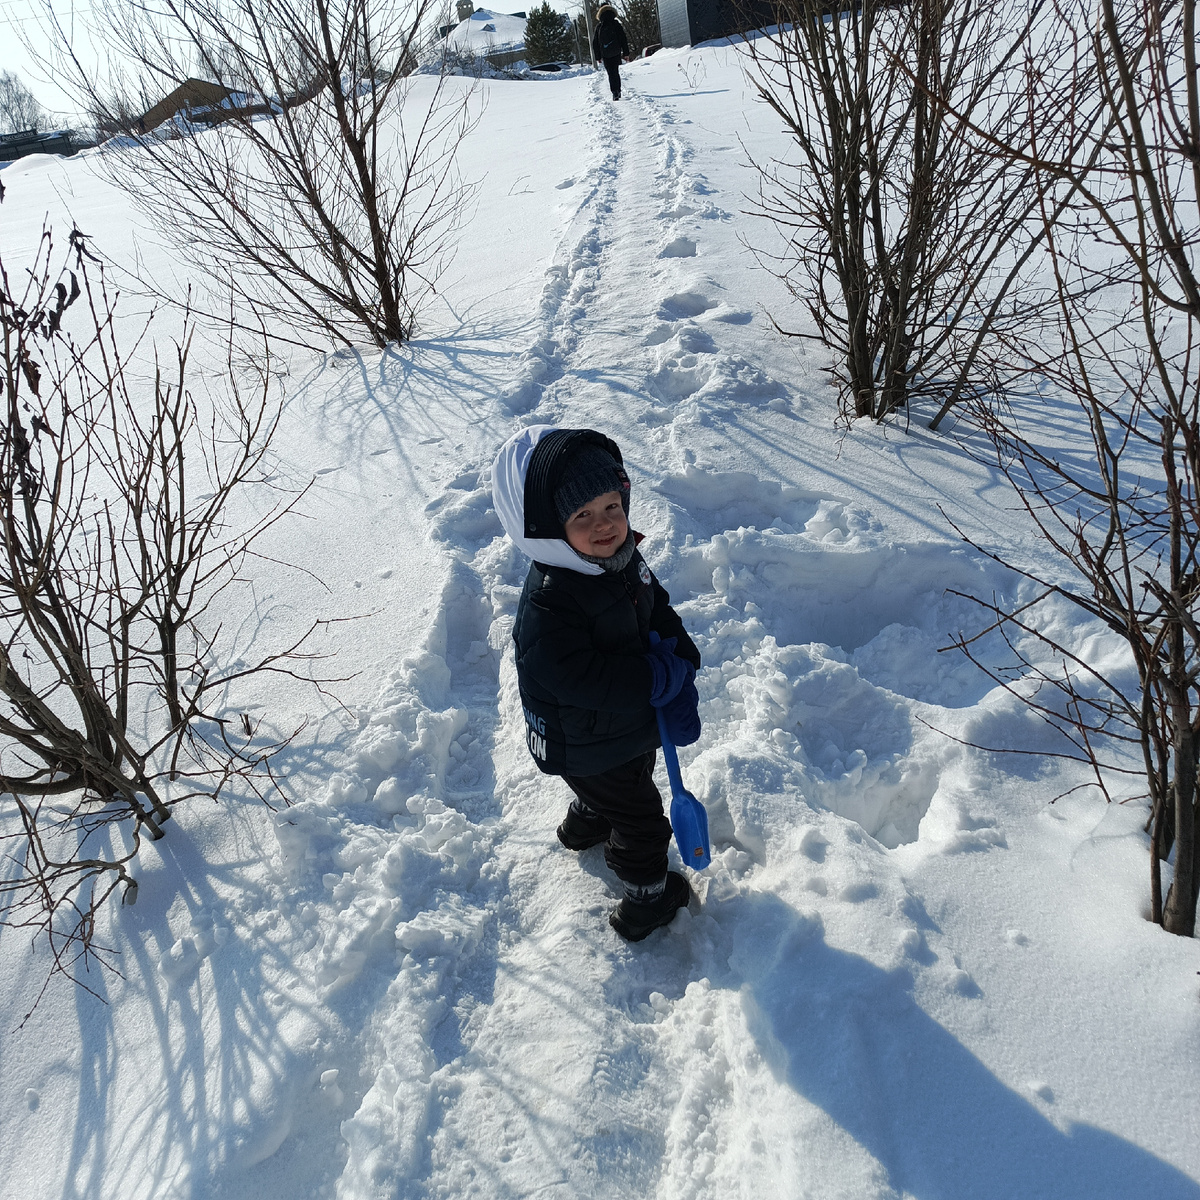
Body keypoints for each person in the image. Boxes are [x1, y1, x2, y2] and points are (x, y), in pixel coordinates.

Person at [492, 425, 703, 941]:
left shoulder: (618, 558)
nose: (605, 524)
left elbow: (655, 605)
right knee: (643, 820)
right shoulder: (551, 598)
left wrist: (679, 650)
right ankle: (646, 901)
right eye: (582, 515)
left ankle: (587, 821)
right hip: (585, 737)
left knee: (622, 779)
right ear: (548, 529)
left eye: (611, 506)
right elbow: (575, 677)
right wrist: (652, 677)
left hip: (615, 727)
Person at [591, 4, 630, 101]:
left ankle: (614, 92)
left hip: (605, 53)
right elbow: (623, 39)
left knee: (610, 73)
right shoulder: (616, 24)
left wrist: (598, 56)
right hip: (616, 51)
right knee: (615, 71)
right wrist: (626, 53)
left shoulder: (599, 26)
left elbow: (595, 43)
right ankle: (618, 90)